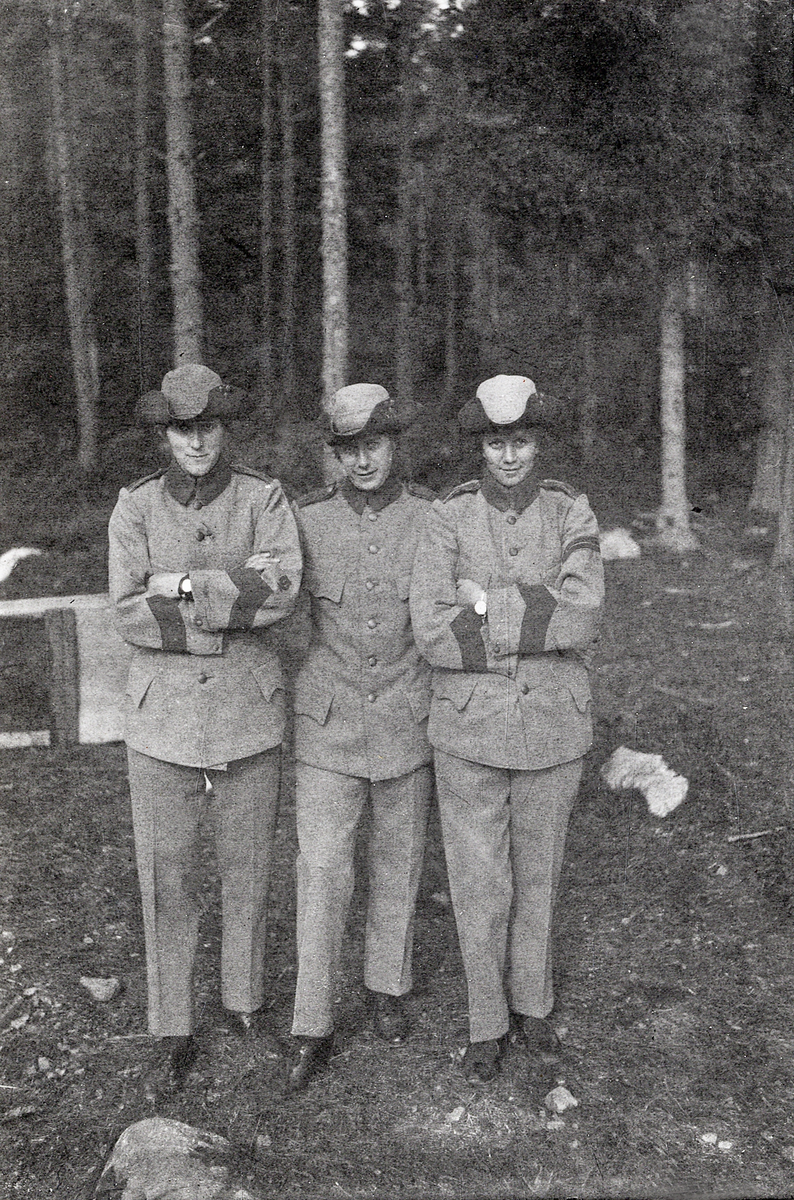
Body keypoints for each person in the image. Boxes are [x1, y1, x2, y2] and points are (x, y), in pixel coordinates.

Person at [108, 363, 302, 1091]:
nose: (196, 442)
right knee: (168, 875)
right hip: (162, 722)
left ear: (226, 429)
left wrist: (185, 585)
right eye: (181, 429)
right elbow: (128, 609)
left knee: (248, 864)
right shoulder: (134, 507)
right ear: (164, 434)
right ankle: (173, 1023)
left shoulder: (264, 497)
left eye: (208, 426)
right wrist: (229, 594)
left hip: (248, 712)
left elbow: (279, 591)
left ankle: (244, 1000)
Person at [409, 374, 604, 1083]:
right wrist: (533, 616)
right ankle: (486, 1020)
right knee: (477, 882)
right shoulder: (447, 518)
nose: (510, 456)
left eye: (521, 440)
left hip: (552, 728)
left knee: (539, 875)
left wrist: (486, 603)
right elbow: (432, 632)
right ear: (479, 447)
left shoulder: (570, 511)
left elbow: (583, 613)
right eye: (496, 443)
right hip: (471, 733)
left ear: (538, 441)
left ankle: (534, 1005)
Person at [287, 383, 435, 1092]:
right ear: (335, 456)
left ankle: (387, 986)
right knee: (321, 869)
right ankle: (311, 1020)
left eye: (374, 445)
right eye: (348, 450)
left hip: (407, 714)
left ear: (394, 443)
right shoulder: (305, 520)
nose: (363, 461)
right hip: (329, 723)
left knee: (398, 860)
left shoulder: (432, 518)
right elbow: (284, 616)